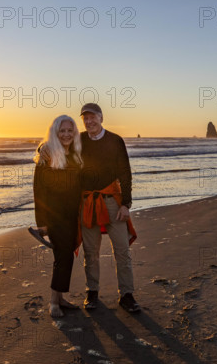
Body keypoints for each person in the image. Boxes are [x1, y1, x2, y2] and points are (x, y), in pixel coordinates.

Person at [79, 103, 140, 313]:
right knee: (91, 252)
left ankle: (127, 295)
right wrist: (42, 149)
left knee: (122, 250)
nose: (89, 122)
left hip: (113, 202)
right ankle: (92, 292)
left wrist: (126, 204)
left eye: (92, 117)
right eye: (85, 118)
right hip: (88, 202)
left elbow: (125, 173)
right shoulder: (79, 140)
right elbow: (58, 149)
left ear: (101, 117)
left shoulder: (115, 140)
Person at [32, 115, 83, 318]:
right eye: (62, 131)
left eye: (70, 130)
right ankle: (54, 302)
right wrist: (42, 223)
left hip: (73, 214)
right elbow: (39, 191)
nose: (66, 134)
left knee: (66, 254)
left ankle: (60, 298)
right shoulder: (47, 155)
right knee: (63, 256)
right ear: (55, 132)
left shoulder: (76, 155)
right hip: (55, 216)